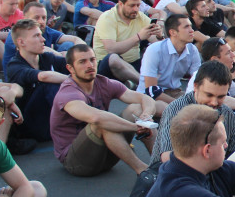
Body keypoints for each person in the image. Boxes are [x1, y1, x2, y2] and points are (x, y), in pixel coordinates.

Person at [51, 44, 158, 177]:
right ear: (70, 68)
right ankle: (143, 171)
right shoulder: (68, 93)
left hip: (107, 155)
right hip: (77, 163)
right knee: (102, 123)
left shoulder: (103, 83)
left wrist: (146, 117)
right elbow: (97, 118)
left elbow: (144, 98)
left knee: (137, 109)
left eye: (92, 60)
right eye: (82, 62)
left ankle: (160, 164)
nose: (89, 65)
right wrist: (136, 127)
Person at [151, 60, 235, 165]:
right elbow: (167, 157)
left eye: (221, 97)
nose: (214, 102)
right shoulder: (176, 110)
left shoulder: (228, 114)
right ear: (195, 86)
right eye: (209, 95)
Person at [4, 19, 68, 142]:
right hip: (29, 124)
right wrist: (74, 80)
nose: (43, 39)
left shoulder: (47, 57)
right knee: (49, 85)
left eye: (41, 35)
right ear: (21, 42)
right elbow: (44, 76)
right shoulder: (14, 65)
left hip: (49, 119)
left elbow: (72, 66)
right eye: (36, 36)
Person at [92, 0, 160, 85]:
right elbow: (111, 49)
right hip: (107, 67)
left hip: (134, 63)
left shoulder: (139, 16)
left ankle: (132, 82)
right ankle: (145, 84)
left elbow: (155, 42)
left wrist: (159, 36)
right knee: (114, 58)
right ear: (121, 4)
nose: (136, 9)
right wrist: (139, 37)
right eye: (132, 5)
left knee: (155, 53)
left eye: (138, 5)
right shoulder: (107, 18)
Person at [136, 14, 201, 105]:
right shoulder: (154, 50)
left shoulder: (192, 50)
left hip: (175, 93)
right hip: (150, 97)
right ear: (173, 32)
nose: (192, 30)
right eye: (186, 27)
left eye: (191, 26)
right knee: (166, 108)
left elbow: (198, 79)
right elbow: (151, 90)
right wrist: (178, 104)